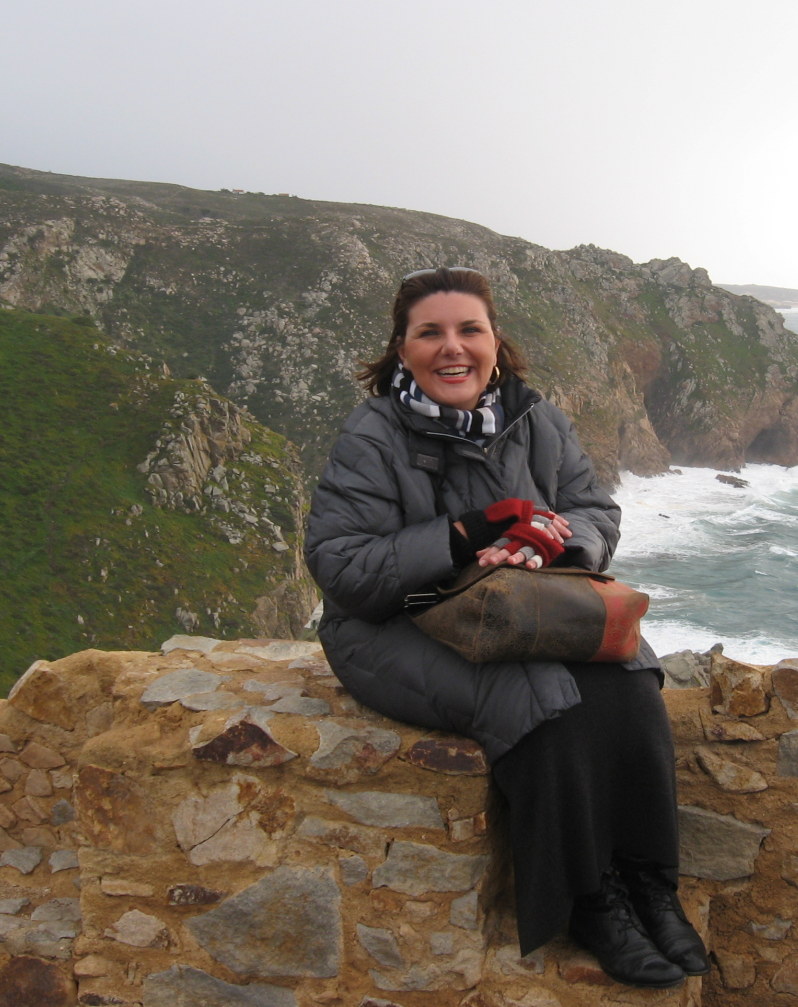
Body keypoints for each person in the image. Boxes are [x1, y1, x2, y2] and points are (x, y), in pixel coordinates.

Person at [305, 266, 709, 988]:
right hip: (389, 623)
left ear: (495, 341)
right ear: (402, 348)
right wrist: (468, 531)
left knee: (629, 675)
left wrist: (551, 544)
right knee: (537, 697)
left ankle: (650, 885)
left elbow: (594, 510)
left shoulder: (535, 418)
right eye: (429, 333)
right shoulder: (374, 432)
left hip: (514, 603)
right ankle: (590, 903)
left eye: (470, 329)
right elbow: (343, 567)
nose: (451, 347)